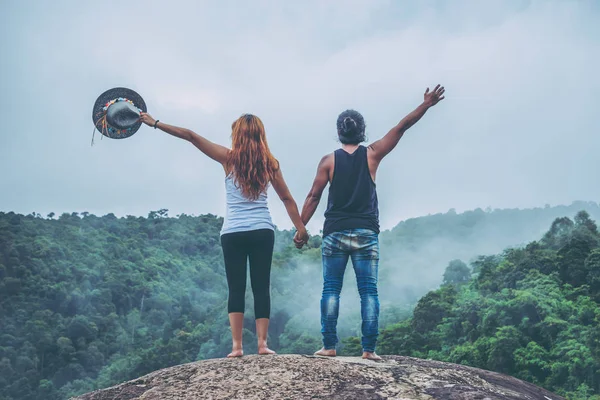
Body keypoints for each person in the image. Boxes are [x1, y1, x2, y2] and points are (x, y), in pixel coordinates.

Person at [294, 85, 445, 360]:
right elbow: (401, 127)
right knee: (369, 292)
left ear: (339, 132)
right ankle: (369, 350)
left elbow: (313, 196)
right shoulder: (372, 154)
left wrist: (301, 229)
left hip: (335, 233)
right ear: (362, 131)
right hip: (365, 233)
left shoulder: (328, 161)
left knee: (331, 289)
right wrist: (426, 105)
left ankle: (329, 347)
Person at [139, 112, 309, 358]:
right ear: (261, 135)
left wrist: (155, 123)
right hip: (262, 230)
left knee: (236, 288)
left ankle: (237, 347)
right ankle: (262, 345)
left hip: (233, 233)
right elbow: (287, 199)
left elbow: (190, 136)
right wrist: (300, 228)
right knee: (262, 287)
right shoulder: (271, 163)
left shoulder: (228, 159)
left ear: (237, 135)